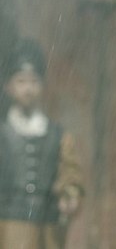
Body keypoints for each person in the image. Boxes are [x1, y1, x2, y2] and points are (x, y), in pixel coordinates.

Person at [0, 38, 84, 249]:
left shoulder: (57, 135)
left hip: (48, 226)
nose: (28, 89)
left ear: (42, 86)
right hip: (9, 224)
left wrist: (70, 193)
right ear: (8, 87)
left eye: (33, 82)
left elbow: (70, 173)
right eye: (21, 82)